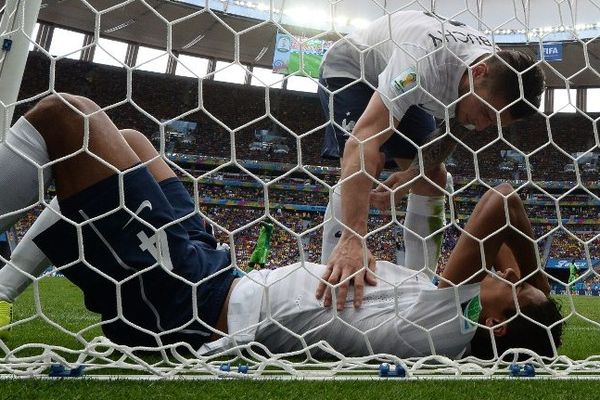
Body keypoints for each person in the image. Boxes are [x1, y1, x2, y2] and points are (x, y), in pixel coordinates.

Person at [0, 94, 562, 359]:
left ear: (495, 321)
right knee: (136, 146)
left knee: (64, 118)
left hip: (191, 309)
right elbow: (503, 257)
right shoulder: (446, 314)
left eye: (512, 285)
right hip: (219, 274)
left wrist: (542, 287)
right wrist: (530, 294)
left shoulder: (449, 325)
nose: (505, 273)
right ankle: (5, 288)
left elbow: (503, 202)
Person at [316, 10, 546, 310]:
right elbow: (363, 140)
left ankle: (418, 289)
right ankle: (332, 271)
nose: (482, 126)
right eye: (487, 114)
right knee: (367, 162)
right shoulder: (423, 63)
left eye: (495, 123)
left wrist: (410, 175)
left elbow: (452, 132)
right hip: (352, 72)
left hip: (407, 82)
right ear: (477, 74)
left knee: (433, 177)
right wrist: (354, 237)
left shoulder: (488, 73)